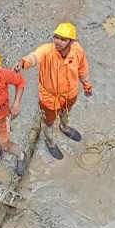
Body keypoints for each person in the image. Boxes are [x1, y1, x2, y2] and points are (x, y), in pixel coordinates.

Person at [15, 22, 92, 160]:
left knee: (66, 112)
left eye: (63, 39)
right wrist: (23, 62)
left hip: (70, 93)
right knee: (48, 122)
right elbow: (35, 57)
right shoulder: (47, 50)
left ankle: (65, 127)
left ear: (71, 41)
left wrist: (86, 85)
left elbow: (83, 68)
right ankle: (50, 142)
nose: (58, 42)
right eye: (56, 37)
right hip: (49, 97)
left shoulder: (77, 50)